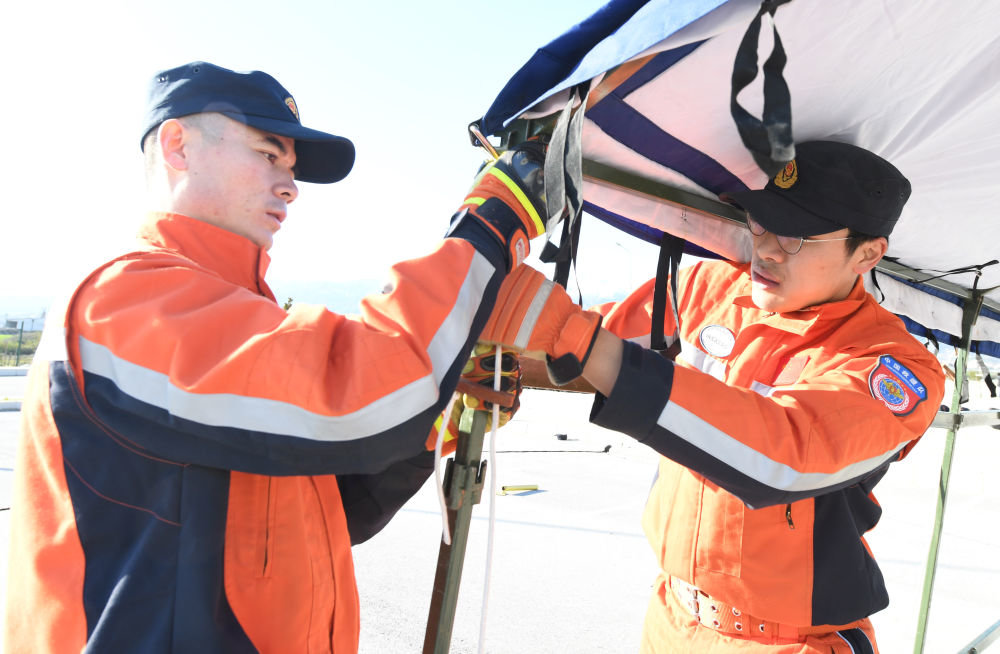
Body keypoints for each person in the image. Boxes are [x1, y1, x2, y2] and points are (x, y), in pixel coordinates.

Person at [5, 61, 546, 653]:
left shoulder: (234, 313)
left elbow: (326, 514)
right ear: (177, 144)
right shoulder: (125, 301)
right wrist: (494, 221)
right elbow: (355, 398)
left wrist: (437, 409)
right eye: (269, 154)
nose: (290, 186)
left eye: (291, 167)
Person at [479, 141, 945, 653]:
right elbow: (588, 344)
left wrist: (568, 336)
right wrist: (504, 362)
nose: (765, 248)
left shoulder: (893, 364)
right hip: (671, 620)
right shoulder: (711, 285)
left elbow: (785, 456)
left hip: (790, 643)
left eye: (795, 236)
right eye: (762, 221)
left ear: (867, 253)